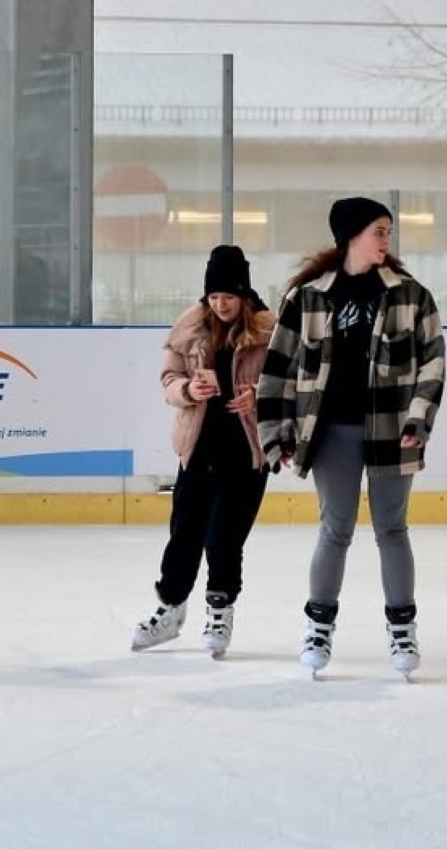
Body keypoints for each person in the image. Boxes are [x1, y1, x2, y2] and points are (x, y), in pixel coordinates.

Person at [257, 197, 445, 680]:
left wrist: (417, 420)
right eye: (379, 231)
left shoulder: (410, 294)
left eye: (388, 231)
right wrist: (275, 435)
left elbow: (433, 364)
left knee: (392, 529)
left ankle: (402, 630)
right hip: (331, 431)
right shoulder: (308, 297)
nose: (387, 240)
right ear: (351, 236)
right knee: (334, 529)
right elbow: (276, 371)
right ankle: (318, 627)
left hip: (392, 432)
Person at [131, 246, 275, 659]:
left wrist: (259, 398)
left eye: (228, 296)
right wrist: (189, 390)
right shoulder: (189, 328)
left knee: (223, 538)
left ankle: (220, 609)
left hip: (246, 454)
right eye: (213, 297)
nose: (220, 304)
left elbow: (293, 384)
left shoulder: (271, 331)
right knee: (184, 535)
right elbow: (168, 378)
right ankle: (171, 609)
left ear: (244, 293)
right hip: (198, 449)